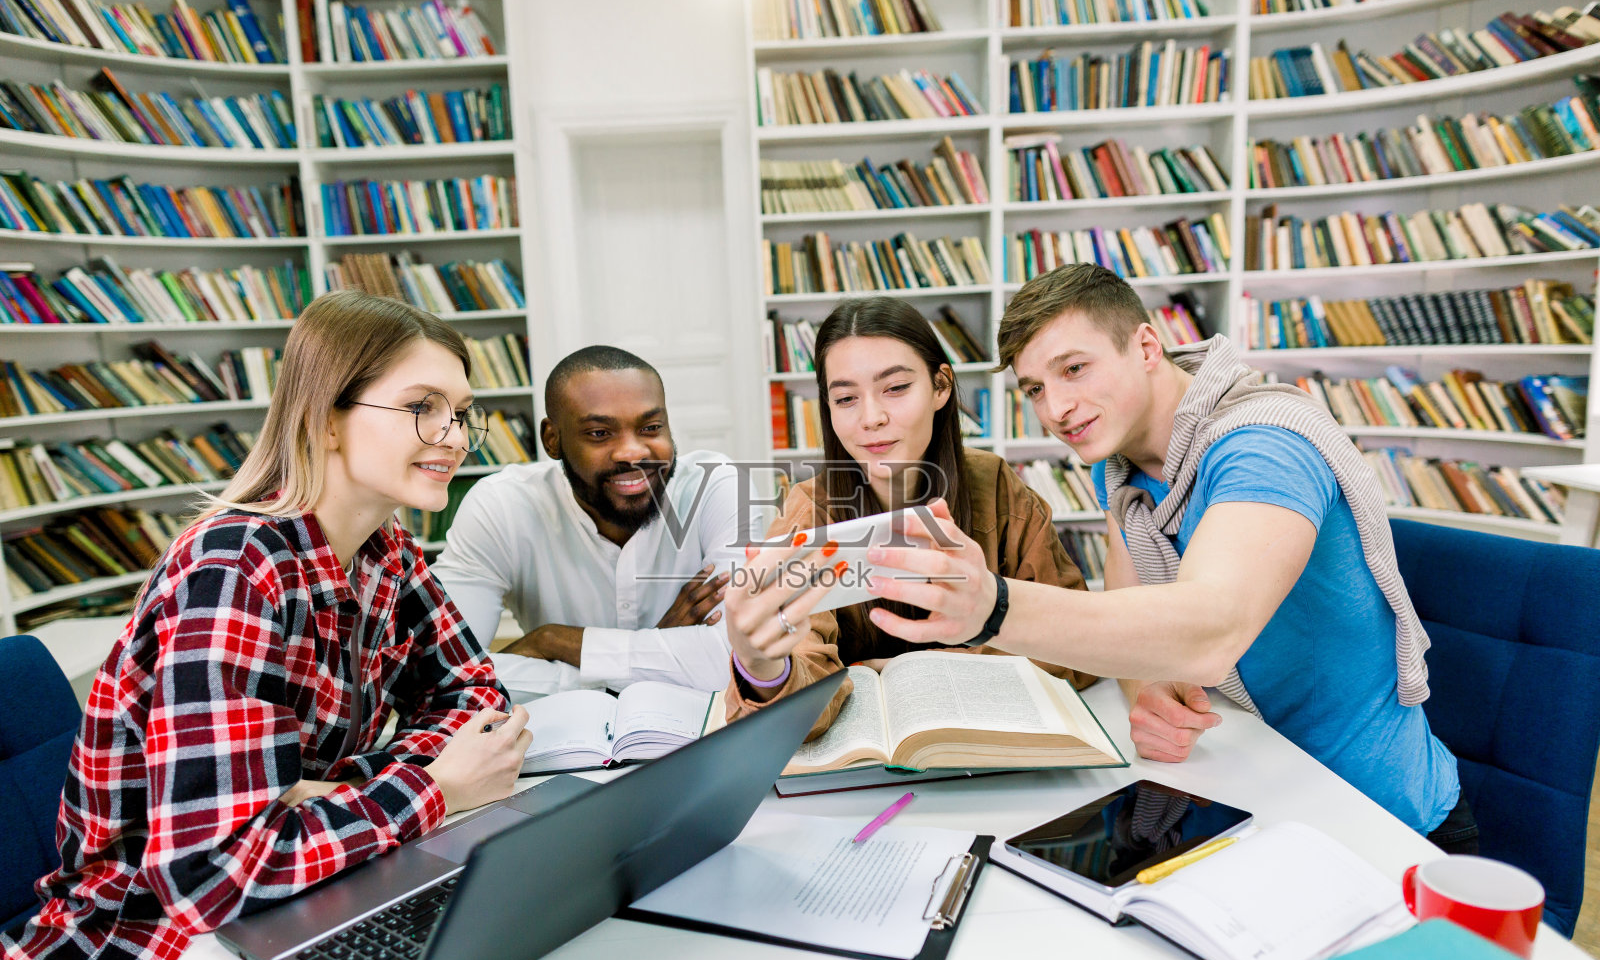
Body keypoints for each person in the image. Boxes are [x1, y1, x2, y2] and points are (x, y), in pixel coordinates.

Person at [0, 291, 533, 960]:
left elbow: (478, 699)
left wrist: (325, 796)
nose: (454, 436)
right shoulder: (235, 569)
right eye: (423, 407)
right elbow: (209, 875)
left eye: (461, 411)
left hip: (288, 904)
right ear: (324, 417)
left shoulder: (389, 552)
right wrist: (435, 789)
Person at [859, 264, 1475, 850]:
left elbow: (1213, 629)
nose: (1057, 410)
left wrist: (992, 605)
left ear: (1148, 347)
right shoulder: (1118, 467)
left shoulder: (1266, 444)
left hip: (1379, 822)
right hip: (1252, 789)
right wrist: (1148, 687)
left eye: (1075, 369)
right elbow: (1130, 616)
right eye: (1036, 389)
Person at [723, 296, 1096, 740]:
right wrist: (764, 667)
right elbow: (799, 704)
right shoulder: (808, 511)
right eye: (845, 398)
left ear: (941, 387)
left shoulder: (996, 485)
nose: (871, 418)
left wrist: (913, 668)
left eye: (896, 388)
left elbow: (1077, 649)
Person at [431, 345, 757, 700]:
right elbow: (443, 677)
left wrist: (554, 641)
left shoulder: (717, 487)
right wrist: (652, 653)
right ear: (552, 439)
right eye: (600, 433)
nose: (633, 452)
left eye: (651, 427)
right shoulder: (503, 507)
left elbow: (743, 658)